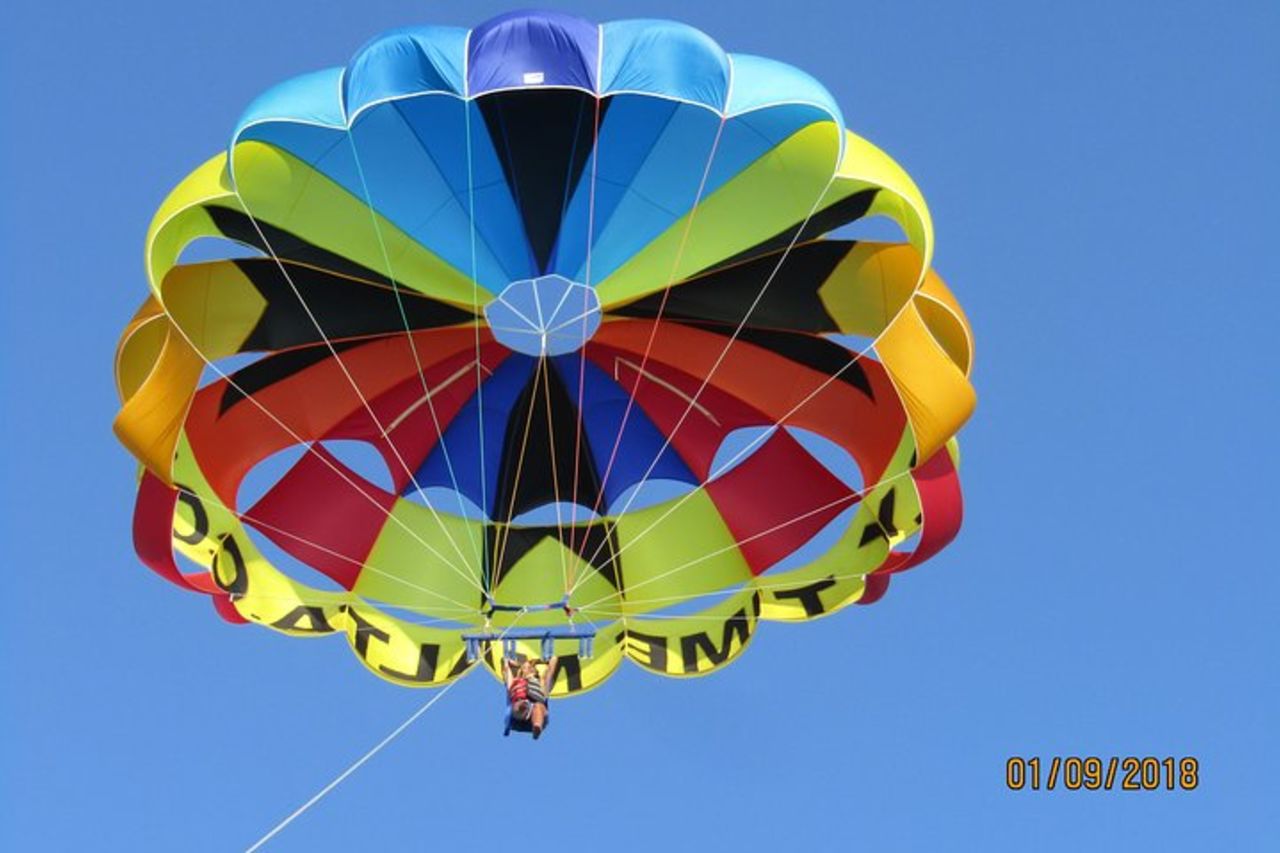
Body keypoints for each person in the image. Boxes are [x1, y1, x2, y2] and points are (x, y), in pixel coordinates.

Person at [503, 655, 559, 739]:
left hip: (538, 715)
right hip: (518, 715)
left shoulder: (542, 683)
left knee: (538, 706)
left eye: (531, 668)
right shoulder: (514, 682)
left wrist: (539, 661)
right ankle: (525, 708)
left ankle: (536, 727)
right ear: (521, 671)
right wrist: (517, 664)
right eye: (526, 668)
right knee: (521, 704)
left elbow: (553, 661)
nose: (530, 669)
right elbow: (506, 667)